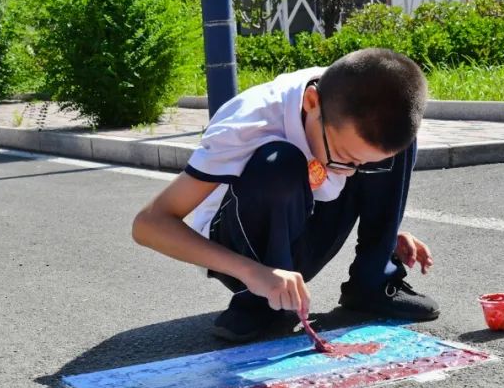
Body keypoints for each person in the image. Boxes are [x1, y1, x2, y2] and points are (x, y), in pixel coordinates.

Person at [131, 47, 438, 343]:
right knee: (279, 163)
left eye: (361, 165)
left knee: (394, 148)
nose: (349, 172)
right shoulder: (248, 125)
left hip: (306, 219)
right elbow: (149, 224)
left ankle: (372, 282)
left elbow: (346, 172)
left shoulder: (353, 103)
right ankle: (260, 301)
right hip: (242, 244)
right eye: (344, 157)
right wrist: (253, 272)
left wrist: (385, 234)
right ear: (311, 102)